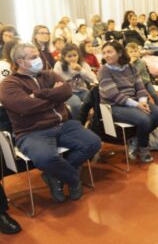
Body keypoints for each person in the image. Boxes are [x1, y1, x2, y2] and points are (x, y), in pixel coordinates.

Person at [0, 43, 101, 203]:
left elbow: (66, 91)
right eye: (33, 57)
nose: (38, 59)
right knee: (45, 158)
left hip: (64, 124)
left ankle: (54, 176)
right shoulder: (9, 84)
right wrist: (54, 97)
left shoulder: (49, 74)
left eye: (38, 56)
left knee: (93, 143)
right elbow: (26, 107)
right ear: (20, 62)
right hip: (32, 131)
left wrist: (39, 94)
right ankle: (74, 180)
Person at [98, 41, 158, 163]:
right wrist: (137, 105)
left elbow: (140, 87)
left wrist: (142, 101)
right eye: (104, 53)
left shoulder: (131, 67)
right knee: (145, 119)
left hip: (134, 102)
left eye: (109, 52)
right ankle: (143, 148)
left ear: (120, 52)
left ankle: (135, 139)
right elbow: (113, 94)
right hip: (114, 105)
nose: (106, 55)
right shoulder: (104, 70)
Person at [54, 43, 97, 120]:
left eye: (75, 55)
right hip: (68, 92)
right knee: (76, 104)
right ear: (64, 57)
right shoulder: (59, 65)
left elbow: (94, 79)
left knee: (95, 101)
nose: (73, 58)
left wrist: (80, 70)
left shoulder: (83, 64)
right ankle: (78, 123)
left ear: (78, 55)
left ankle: (94, 123)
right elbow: (54, 79)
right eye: (69, 56)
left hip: (82, 90)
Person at [126, 42, 158, 109]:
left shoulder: (141, 62)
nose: (133, 53)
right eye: (131, 52)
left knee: (154, 94)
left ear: (139, 52)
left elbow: (136, 72)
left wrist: (131, 63)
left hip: (145, 82)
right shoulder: (127, 63)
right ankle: (148, 109)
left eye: (135, 51)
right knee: (143, 98)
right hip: (136, 85)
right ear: (127, 54)